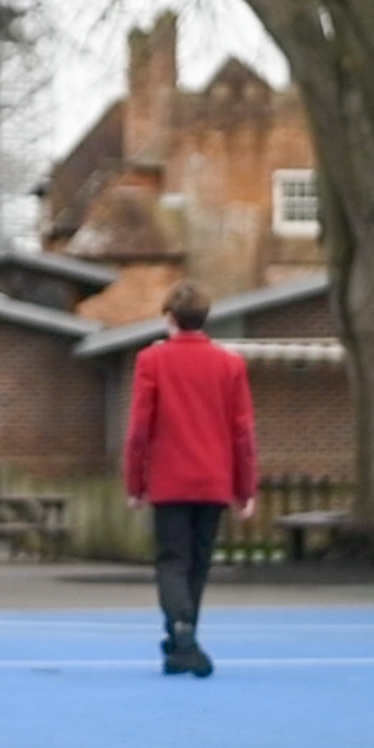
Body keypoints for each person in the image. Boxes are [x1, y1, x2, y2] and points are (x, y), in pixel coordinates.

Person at [123, 283, 256, 678]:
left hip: (169, 480)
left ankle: (181, 632)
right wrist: (245, 488)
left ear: (169, 318)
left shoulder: (151, 361)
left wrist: (135, 483)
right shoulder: (230, 365)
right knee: (198, 564)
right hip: (215, 480)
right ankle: (184, 637)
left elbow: (139, 430)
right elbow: (243, 433)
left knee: (172, 561)